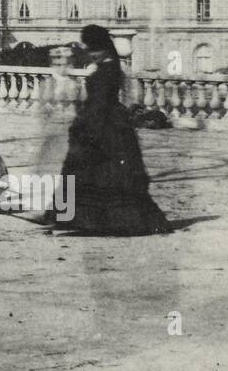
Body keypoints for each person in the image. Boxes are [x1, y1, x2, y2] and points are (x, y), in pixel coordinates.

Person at [56, 24, 170, 236]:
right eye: (90, 50)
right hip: (104, 122)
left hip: (105, 125)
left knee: (105, 174)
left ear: (103, 48)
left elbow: (99, 102)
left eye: (94, 50)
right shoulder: (106, 66)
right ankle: (87, 219)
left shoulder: (108, 69)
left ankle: (103, 221)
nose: (92, 54)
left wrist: (85, 125)